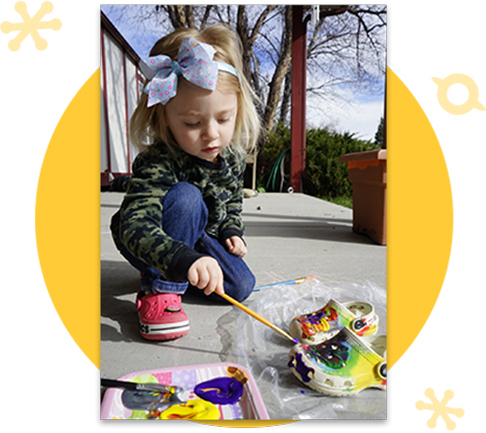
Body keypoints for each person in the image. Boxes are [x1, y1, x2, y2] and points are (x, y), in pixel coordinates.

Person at [110, 25, 261, 341]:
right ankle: (160, 289)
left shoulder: (230, 157)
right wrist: (179, 258)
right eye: (193, 123)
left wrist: (232, 230)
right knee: (187, 197)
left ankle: (181, 265)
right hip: (144, 235)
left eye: (223, 119)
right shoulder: (160, 161)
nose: (211, 133)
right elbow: (135, 226)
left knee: (239, 287)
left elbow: (233, 199)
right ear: (163, 117)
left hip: (197, 234)